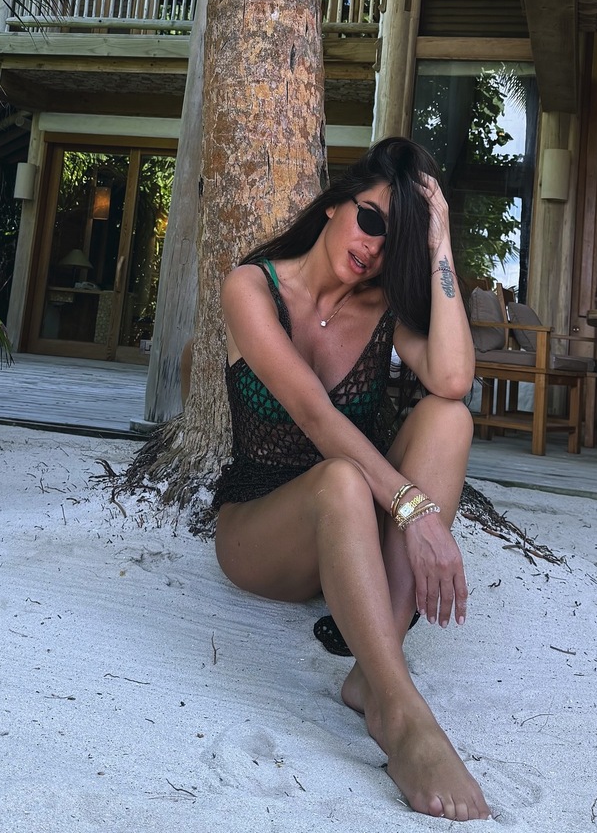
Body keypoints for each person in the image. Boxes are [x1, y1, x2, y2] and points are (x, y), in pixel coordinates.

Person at [210, 137, 491, 821]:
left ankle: (370, 673)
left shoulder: (382, 312)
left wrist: (440, 244)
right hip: (262, 530)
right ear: (336, 205)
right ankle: (402, 713)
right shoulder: (252, 287)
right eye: (370, 219)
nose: (373, 246)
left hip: (354, 537)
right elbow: (312, 413)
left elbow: (454, 378)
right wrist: (413, 510)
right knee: (339, 478)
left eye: (395, 242)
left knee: (448, 418)